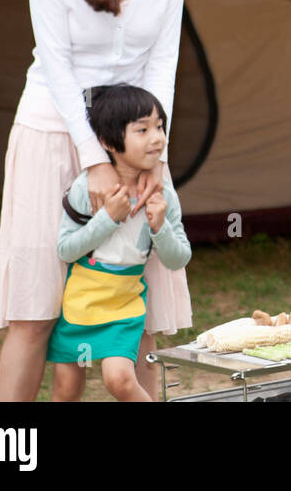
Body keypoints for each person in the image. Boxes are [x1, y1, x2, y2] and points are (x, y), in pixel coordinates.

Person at [0, 0, 192, 401]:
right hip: (53, 134)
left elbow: (163, 62)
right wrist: (93, 161)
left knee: (146, 311)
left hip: (135, 143)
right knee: (35, 310)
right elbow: (55, 65)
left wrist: (156, 149)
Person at [49, 85, 191, 402]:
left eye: (159, 126)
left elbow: (179, 258)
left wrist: (160, 226)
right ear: (108, 141)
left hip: (125, 303)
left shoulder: (163, 193)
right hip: (81, 302)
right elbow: (66, 249)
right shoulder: (88, 188)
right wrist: (108, 218)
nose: (157, 138)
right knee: (65, 389)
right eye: (142, 129)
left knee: (119, 380)